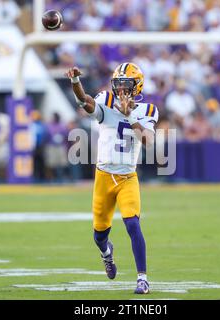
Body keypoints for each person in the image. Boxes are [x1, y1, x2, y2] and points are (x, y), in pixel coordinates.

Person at [65, 62, 158, 294]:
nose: (121, 91)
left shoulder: (148, 110)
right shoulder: (106, 101)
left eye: (126, 86)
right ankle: (107, 253)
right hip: (104, 176)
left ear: (137, 87)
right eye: (118, 85)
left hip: (127, 177)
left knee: (133, 224)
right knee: (99, 234)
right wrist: (76, 82)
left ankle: (143, 279)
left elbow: (148, 141)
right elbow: (84, 101)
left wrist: (129, 116)